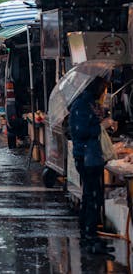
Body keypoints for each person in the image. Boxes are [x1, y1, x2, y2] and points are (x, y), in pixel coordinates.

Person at [69, 76, 115, 254]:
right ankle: (89, 237)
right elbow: (80, 132)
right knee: (91, 196)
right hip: (86, 158)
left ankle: (90, 235)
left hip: (93, 157)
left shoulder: (91, 105)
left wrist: (103, 121)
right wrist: (100, 125)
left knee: (93, 197)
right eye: (102, 88)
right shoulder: (81, 105)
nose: (104, 92)